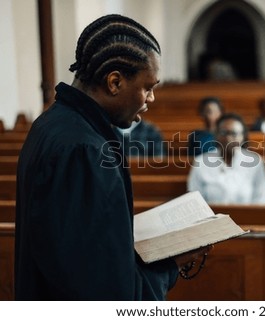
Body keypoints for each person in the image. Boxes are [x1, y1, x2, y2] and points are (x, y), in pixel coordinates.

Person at [15, 14, 209, 301]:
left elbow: (77, 256)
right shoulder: (84, 150)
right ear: (115, 82)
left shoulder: (54, 123)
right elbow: (105, 295)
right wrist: (171, 263)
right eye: (148, 87)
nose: (151, 99)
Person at [187, 113, 265, 204]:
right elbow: (194, 198)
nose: (228, 138)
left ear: (242, 137)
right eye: (223, 133)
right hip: (212, 217)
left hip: (248, 216)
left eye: (234, 133)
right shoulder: (201, 161)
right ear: (216, 135)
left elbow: (262, 197)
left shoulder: (254, 162)